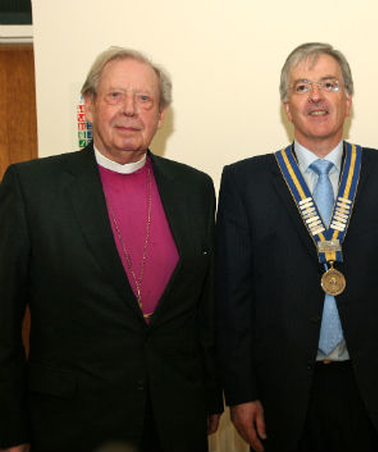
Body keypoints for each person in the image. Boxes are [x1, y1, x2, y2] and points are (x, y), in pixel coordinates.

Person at [0, 47, 222, 452]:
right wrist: (10, 429)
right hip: (73, 422)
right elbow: (2, 320)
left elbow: (203, 307)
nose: (130, 110)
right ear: (89, 105)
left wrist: (209, 394)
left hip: (174, 417)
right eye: (115, 95)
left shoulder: (195, 188)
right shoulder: (32, 188)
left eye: (144, 99)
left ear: (160, 115)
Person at [215, 42, 378, 452]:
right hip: (280, 396)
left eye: (329, 84)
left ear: (348, 100)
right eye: (302, 87)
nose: (317, 96)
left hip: (371, 393)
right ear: (287, 107)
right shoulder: (245, 182)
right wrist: (240, 392)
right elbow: (232, 299)